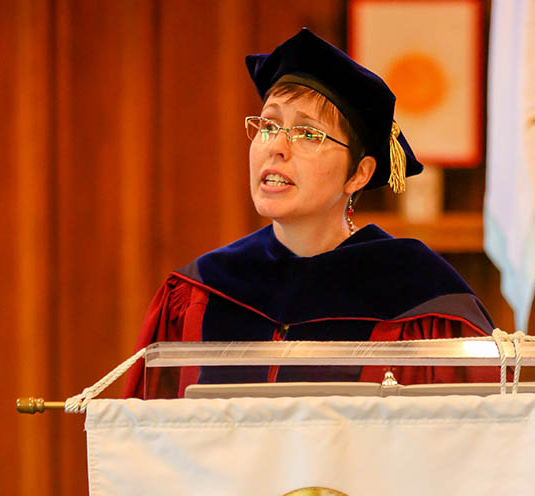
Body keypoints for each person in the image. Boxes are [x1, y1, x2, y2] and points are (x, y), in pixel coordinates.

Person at [123, 29, 495, 399]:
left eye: (308, 134)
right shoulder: (200, 289)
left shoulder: (421, 297)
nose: (277, 147)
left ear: (358, 173)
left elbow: (459, 442)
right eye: (268, 126)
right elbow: (150, 438)